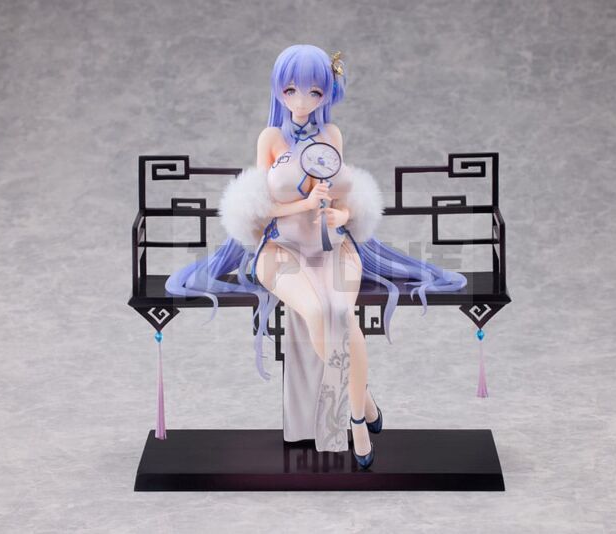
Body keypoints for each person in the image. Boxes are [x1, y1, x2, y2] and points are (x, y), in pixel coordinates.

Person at [165, 44, 468, 469]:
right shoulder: (270, 139)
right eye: (291, 90)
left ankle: (356, 420)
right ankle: (365, 400)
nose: (302, 100)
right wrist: (302, 206)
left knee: (341, 314)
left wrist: (341, 214)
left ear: (327, 93)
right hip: (280, 250)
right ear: (278, 91)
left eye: (314, 91)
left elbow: (345, 195)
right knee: (314, 310)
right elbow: (259, 206)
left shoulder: (332, 135)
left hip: (334, 247)